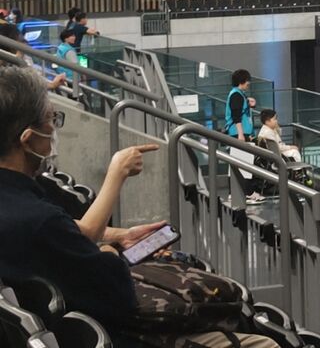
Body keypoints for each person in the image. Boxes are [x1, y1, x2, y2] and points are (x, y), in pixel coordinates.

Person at [0, 67, 279, 348]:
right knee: (265, 343)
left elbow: (62, 234)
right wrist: (110, 251)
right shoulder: (38, 219)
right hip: (120, 333)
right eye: (51, 119)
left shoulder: (20, 206)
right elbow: (117, 292)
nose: (54, 129)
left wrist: (116, 236)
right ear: (27, 138)